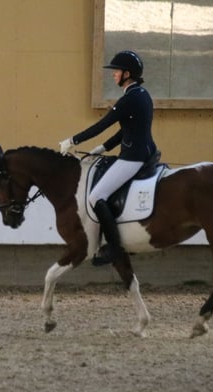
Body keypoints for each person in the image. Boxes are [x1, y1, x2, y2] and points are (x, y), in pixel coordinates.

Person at [59, 50, 157, 265]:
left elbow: (102, 124)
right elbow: (127, 131)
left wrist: (73, 140)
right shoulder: (142, 94)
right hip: (144, 152)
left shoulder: (128, 99)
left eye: (117, 71)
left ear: (127, 74)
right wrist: (102, 148)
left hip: (133, 157)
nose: (113, 75)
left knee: (96, 197)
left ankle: (114, 247)